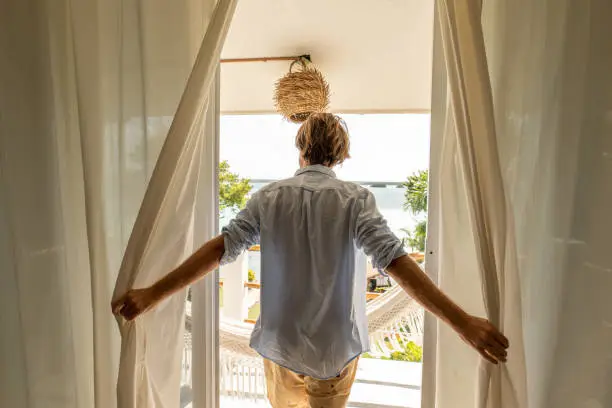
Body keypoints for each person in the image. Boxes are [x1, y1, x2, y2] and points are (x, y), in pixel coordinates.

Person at [113, 113, 508, 408]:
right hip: (334, 346)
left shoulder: (268, 197)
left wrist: (152, 293)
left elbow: (221, 249)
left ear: (300, 149)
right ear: (341, 155)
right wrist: (462, 324)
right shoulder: (355, 199)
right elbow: (397, 264)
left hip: (279, 341)